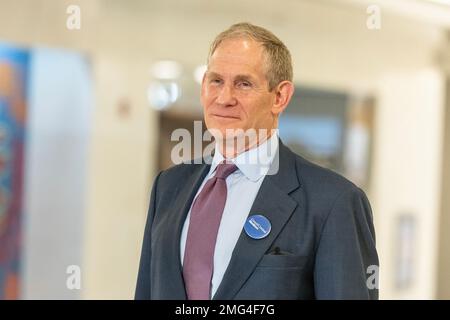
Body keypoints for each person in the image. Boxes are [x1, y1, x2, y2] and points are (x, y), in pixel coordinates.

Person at [135, 22, 379, 300]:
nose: (224, 98)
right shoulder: (168, 187)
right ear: (204, 86)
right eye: (216, 81)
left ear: (280, 96)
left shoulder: (334, 202)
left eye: (244, 84)